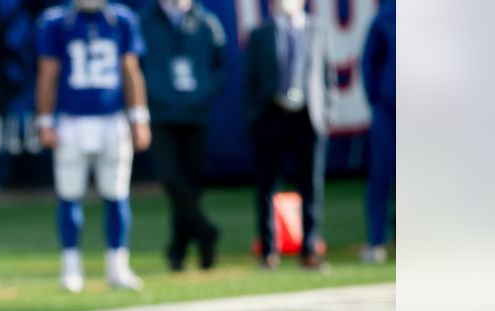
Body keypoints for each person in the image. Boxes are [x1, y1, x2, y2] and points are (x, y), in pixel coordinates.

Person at [36, 0, 151, 293]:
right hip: (71, 121)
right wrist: (45, 120)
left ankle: (117, 265)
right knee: (69, 195)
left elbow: (131, 69)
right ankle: (71, 267)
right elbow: (48, 72)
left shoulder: (121, 19)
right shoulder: (56, 21)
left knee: (116, 193)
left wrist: (139, 118)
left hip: (112, 119)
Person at [242, 0, 332, 272]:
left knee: (311, 186)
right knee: (267, 186)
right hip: (271, 117)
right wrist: (255, 118)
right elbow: (251, 80)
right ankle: (268, 251)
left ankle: (310, 249)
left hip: (308, 117)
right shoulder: (260, 34)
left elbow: (326, 76)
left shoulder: (316, 30)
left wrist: (326, 113)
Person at [138, 0, 227, 272]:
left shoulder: (207, 22)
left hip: (194, 115)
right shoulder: (145, 20)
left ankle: (179, 251)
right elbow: (135, 65)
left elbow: (219, 67)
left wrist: (200, 95)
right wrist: (155, 96)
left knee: (191, 185)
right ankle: (205, 231)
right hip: (162, 115)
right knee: (170, 177)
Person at [361, 0, 395, 264]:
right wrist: (378, 96)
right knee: (380, 175)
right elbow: (369, 58)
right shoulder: (388, 14)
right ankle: (377, 240)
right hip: (390, 109)